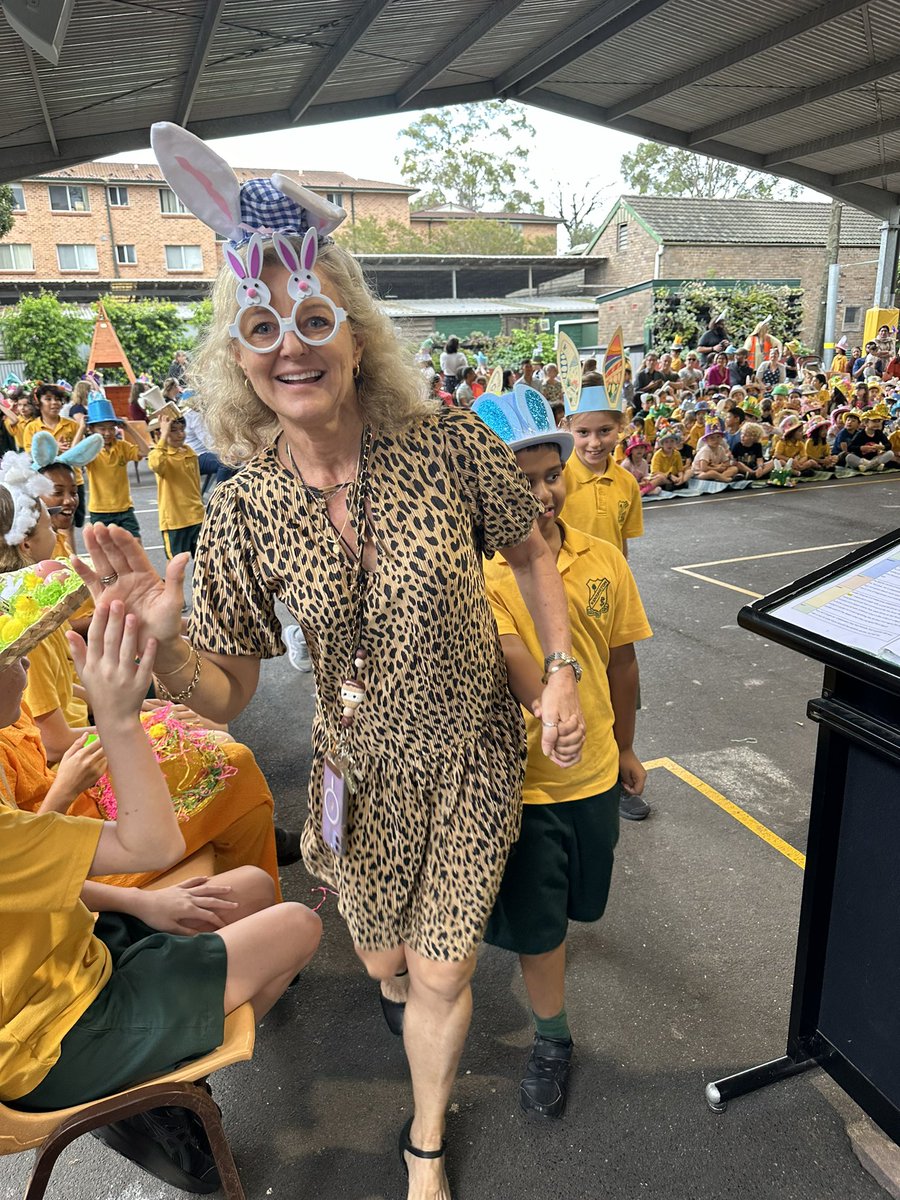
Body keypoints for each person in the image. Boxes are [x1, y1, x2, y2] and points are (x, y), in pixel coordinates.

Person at [88, 121, 586, 1200]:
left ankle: (425, 1143)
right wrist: (169, 649)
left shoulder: (447, 442)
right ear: (241, 358)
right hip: (346, 775)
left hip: (468, 758)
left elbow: (533, 547)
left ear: (355, 336)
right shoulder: (245, 508)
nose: (291, 346)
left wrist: (561, 668)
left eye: (314, 319)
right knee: (381, 958)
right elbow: (225, 692)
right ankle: (404, 987)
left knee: (445, 970)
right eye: (261, 328)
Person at [0, 603, 320, 1194]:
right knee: (299, 925)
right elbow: (150, 843)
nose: (25, 664)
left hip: (71, 957)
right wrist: (120, 719)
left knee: (250, 886)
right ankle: (151, 1092)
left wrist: (142, 906)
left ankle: (159, 1064)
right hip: (51, 1039)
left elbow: (27, 882)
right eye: (11, 656)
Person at [473, 386, 652, 1119]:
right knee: (540, 926)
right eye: (521, 481)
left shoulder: (604, 559)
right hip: (524, 786)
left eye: (552, 475)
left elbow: (623, 665)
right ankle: (552, 1038)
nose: (542, 494)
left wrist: (630, 750)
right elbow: (520, 661)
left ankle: (550, 964)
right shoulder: (474, 574)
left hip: (598, 772)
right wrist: (553, 697)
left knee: (586, 902)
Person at [84, 394, 149, 541]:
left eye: (111, 428)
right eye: (102, 428)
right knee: (104, 549)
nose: (107, 433)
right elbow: (72, 458)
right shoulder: (90, 449)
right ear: (92, 429)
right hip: (100, 510)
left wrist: (129, 429)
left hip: (124, 508)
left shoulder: (121, 447)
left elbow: (145, 452)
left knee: (135, 543)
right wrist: (81, 428)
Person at [148, 411, 205, 560]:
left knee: (206, 563)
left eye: (182, 430)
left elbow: (195, 484)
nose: (180, 435)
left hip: (197, 516)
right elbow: (155, 463)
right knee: (176, 567)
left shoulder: (189, 452)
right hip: (174, 521)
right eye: (173, 431)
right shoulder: (161, 455)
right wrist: (164, 435)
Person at [845, 403, 895, 471]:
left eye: (878, 421)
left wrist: (882, 447)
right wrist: (861, 448)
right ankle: (873, 466)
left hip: (874, 458)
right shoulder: (860, 434)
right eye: (874, 421)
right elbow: (850, 447)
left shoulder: (879, 433)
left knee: (890, 453)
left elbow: (889, 445)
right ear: (866, 423)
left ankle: (867, 467)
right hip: (861, 460)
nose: (877, 424)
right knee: (849, 457)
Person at [691, 416, 739, 482]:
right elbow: (703, 468)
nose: (716, 440)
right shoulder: (705, 450)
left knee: (734, 468)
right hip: (700, 473)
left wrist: (721, 466)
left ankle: (720, 478)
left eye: (718, 437)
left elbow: (727, 463)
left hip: (715, 469)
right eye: (712, 438)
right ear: (706, 440)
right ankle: (726, 479)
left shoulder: (721, 448)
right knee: (712, 473)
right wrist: (717, 468)